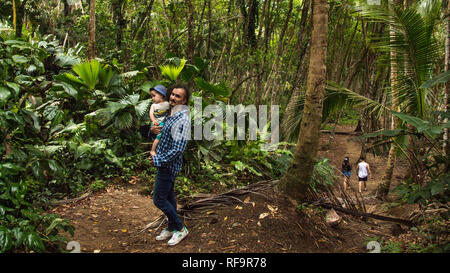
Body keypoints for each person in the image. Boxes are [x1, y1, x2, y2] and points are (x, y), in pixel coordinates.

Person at [149, 84, 191, 246]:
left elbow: (178, 149)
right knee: (168, 196)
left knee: (159, 200)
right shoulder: (172, 114)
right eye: (172, 94)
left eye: (178, 96)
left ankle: (180, 229)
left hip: (168, 165)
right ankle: (172, 227)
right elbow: (161, 132)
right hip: (163, 163)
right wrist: (153, 131)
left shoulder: (183, 120)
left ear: (185, 100)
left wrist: (158, 160)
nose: (173, 98)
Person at [149, 85, 170, 156]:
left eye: (153, 96)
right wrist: (153, 120)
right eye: (151, 96)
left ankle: (155, 150)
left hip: (163, 122)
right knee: (158, 135)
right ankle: (152, 150)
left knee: (160, 136)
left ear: (161, 95)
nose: (152, 98)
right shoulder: (153, 105)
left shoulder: (167, 104)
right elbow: (151, 113)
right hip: (156, 122)